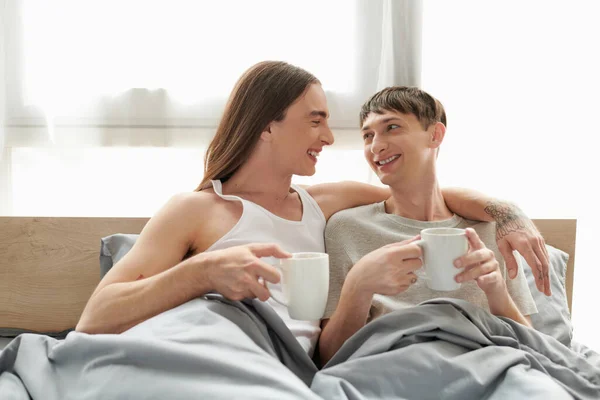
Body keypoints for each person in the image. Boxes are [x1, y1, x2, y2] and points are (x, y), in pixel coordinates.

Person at [76, 62, 548, 358]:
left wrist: (507, 214)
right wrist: (203, 272)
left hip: (273, 365)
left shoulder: (325, 204)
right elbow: (95, 318)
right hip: (195, 342)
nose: (327, 138)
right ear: (267, 126)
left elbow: (421, 191)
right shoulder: (195, 209)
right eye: (316, 121)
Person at [319, 86, 545, 364]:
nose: (376, 145)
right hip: (389, 372)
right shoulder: (346, 228)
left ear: (435, 135)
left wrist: (497, 292)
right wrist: (358, 287)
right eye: (368, 135)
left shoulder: (488, 230)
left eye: (392, 127)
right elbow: (328, 358)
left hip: (484, 367)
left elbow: (535, 351)